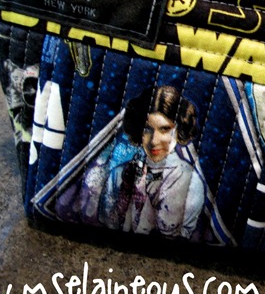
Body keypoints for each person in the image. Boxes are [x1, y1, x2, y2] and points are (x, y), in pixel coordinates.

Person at [69, 86, 205, 239]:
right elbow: (107, 222)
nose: (154, 141)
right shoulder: (119, 174)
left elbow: (171, 232)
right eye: (147, 129)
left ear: (179, 130)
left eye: (165, 129)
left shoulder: (190, 181)